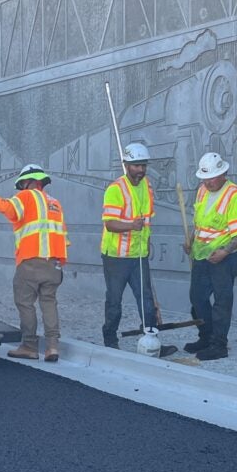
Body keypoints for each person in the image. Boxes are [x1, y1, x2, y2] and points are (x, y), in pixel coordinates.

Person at [0, 163, 67, 362]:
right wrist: (60, 262)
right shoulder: (55, 203)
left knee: (25, 303)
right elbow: (62, 235)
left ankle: (29, 346)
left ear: (29, 182)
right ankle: (52, 347)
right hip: (53, 263)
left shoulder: (26, 197)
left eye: (23, 183)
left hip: (31, 261)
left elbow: (7, 208)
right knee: (49, 303)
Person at [185, 151, 237, 360]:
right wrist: (190, 240)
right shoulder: (202, 190)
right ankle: (206, 336)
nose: (208, 182)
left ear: (223, 173)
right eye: (205, 178)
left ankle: (219, 345)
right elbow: (198, 221)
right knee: (197, 298)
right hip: (201, 254)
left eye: (212, 178)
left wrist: (225, 252)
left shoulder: (235, 195)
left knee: (222, 302)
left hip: (223, 258)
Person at [100, 142, 161, 349]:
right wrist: (131, 226)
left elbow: (148, 219)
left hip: (139, 254)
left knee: (146, 299)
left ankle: (151, 341)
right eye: (136, 165)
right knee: (115, 301)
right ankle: (110, 338)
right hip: (116, 257)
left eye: (143, 165)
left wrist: (147, 243)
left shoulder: (148, 186)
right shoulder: (115, 189)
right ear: (126, 165)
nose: (141, 170)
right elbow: (109, 224)